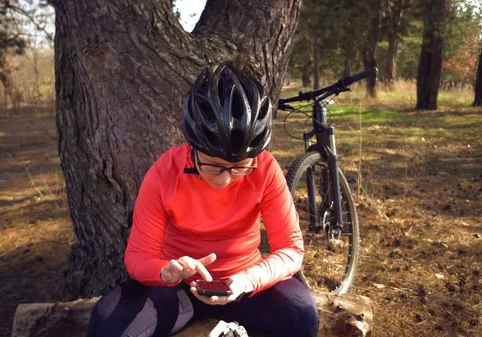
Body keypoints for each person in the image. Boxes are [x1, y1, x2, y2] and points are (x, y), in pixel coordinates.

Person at [86, 62, 319, 337]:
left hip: (245, 284)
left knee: (301, 317)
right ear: (192, 148)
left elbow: (291, 249)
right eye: (211, 165)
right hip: (179, 289)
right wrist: (165, 272)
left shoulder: (265, 169)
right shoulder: (164, 173)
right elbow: (137, 256)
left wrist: (248, 279)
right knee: (106, 326)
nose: (224, 180)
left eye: (239, 167)